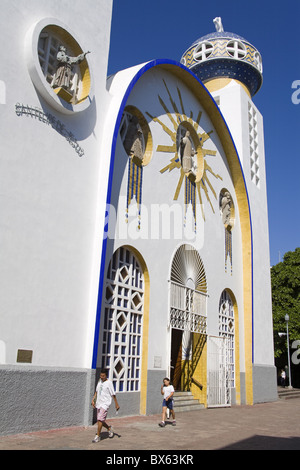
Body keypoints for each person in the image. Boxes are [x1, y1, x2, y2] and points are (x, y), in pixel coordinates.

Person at [91, 369, 120, 443]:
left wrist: (116, 404)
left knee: (100, 419)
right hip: (99, 403)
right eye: (101, 375)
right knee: (100, 420)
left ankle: (98, 436)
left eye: (103, 376)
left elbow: (113, 394)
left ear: (106, 375)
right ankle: (109, 429)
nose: (101, 377)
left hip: (105, 404)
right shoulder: (100, 381)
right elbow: (96, 391)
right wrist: (93, 400)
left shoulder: (109, 383)